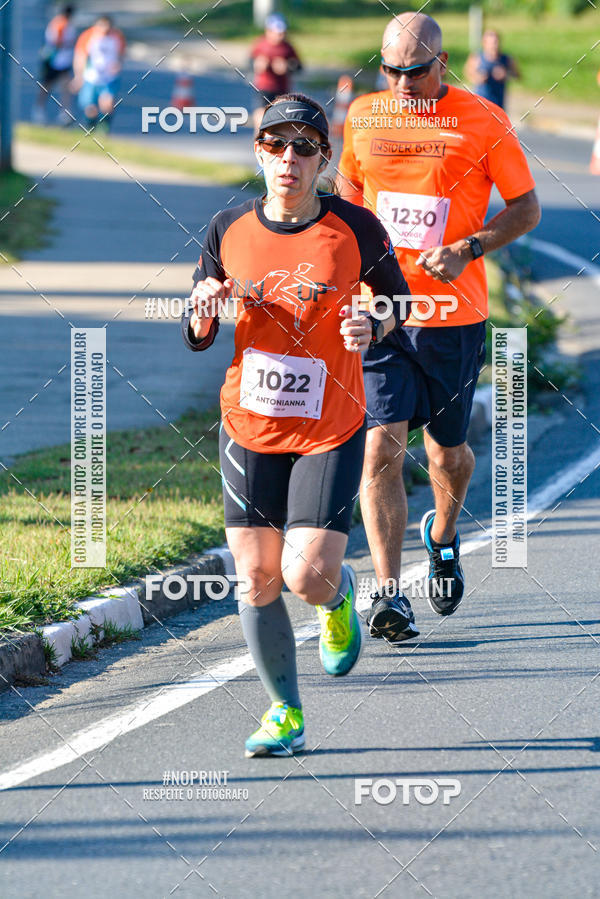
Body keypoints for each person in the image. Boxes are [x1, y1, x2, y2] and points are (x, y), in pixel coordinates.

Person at [182, 94, 410, 757]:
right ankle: (285, 712)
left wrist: (374, 323)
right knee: (256, 575)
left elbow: (397, 299)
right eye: (275, 145)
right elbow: (198, 329)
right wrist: (202, 310)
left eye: (303, 147)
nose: (289, 158)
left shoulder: (356, 227)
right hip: (248, 421)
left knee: (306, 574)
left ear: (323, 158)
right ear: (258, 152)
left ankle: (335, 603)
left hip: (328, 424)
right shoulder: (227, 227)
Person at [338, 13, 540, 643]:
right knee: (380, 446)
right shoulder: (364, 116)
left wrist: (468, 248)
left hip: (453, 316)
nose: (401, 83)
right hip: (380, 312)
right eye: (390, 70)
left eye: (415, 71)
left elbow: (526, 208)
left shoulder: (483, 119)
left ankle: (444, 537)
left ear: (443, 64)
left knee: (446, 453)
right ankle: (389, 594)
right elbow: (347, 200)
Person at [71, 14, 126, 132]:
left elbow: (121, 55)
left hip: (109, 78)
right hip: (91, 78)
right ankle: (90, 128)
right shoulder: (88, 36)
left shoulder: (117, 37)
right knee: (90, 109)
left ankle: (104, 131)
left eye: (107, 29)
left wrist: (118, 65)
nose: (104, 31)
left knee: (107, 105)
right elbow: (80, 57)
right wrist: (78, 77)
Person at [250, 15, 302, 133]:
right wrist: (258, 64)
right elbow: (249, 61)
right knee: (260, 114)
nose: (280, 36)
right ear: (268, 31)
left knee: (281, 117)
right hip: (264, 86)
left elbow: (299, 66)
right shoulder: (261, 44)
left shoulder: (287, 47)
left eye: (282, 33)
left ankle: (278, 138)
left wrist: (287, 66)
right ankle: (259, 136)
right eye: (277, 33)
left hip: (282, 88)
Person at [33, 5, 77, 126]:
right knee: (47, 86)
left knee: (65, 86)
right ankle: (39, 109)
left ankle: (65, 112)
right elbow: (56, 42)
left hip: (64, 61)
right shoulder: (59, 24)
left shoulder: (66, 24)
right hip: (54, 60)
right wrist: (69, 43)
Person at [465, 29, 519, 110]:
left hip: (498, 105)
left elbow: (517, 76)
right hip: (480, 105)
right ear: (484, 43)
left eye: (496, 42)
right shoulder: (476, 58)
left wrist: (505, 75)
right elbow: (468, 74)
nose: (494, 46)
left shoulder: (507, 59)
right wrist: (478, 78)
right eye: (491, 43)